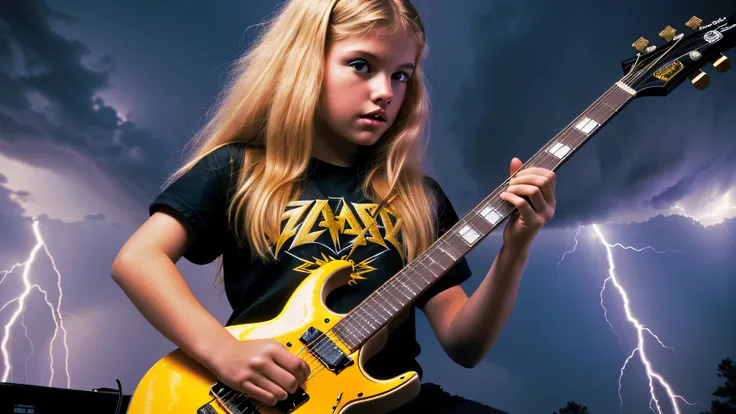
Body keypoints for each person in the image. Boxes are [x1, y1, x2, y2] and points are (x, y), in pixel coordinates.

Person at [111, 0, 557, 413]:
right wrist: (223, 353)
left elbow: (465, 344)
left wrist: (515, 247)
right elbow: (138, 260)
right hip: (265, 398)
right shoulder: (238, 169)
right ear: (305, 64)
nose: (385, 91)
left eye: (401, 75)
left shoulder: (421, 198)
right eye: (362, 65)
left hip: (388, 399)